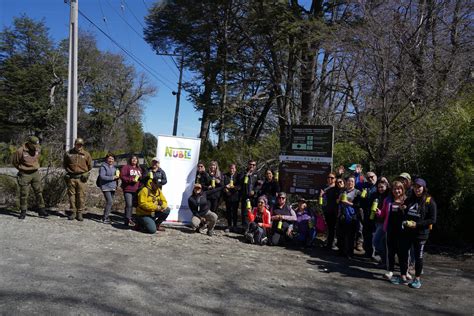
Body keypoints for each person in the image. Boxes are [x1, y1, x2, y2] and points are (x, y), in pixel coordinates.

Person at [396, 178, 437, 289]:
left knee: (418, 257)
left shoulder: (429, 201)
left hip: (421, 234)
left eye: (419, 187)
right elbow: (404, 213)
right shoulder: (410, 199)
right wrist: (402, 209)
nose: (417, 189)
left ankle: (417, 279)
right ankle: (403, 276)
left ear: (424, 188)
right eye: (415, 186)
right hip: (407, 232)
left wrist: (417, 224)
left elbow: (432, 220)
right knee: (403, 254)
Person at [377, 181, 406, 282]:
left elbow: (410, 215)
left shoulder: (406, 200)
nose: (397, 191)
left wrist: (404, 209)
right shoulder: (387, 200)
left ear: (402, 190)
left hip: (403, 230)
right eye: (394, 189)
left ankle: (404, 272)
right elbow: (383, 214)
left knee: (402, 252)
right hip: (389, 229)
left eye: (399, 189)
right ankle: (390, 271)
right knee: (391, 251)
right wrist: (378, 212)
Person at [12, 136, 47, 219]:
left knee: (39, 192)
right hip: (25, 174)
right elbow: (15, 162)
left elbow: (38, 159)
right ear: (29, 143)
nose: (36, 147)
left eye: (37, 145)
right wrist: (21, 169)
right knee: (24, 194)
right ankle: (23, 211)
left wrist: (36, 166)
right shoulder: (20, 151)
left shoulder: (38, 149)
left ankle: (41, 209)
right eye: (34, 145)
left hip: (35, 173)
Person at [63, 137, 92, 221]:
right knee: (71, 196)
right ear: (75, 144)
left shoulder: (86, 154)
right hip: (71, 178)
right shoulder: (68, 153)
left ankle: (80, 213)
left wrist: (86, 173)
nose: (79, 146)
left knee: (81, 196)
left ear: (82, 145)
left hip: (81, 178)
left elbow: (90, 166)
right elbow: (65, 164)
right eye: (77, 144)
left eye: (81, 145)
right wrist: (68, 172)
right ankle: (73, 212)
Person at [336, 176, 362, 258]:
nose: (350, 182)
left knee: (350, 236)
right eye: (348, 181)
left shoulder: (357, 192)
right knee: (341, 235)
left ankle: (349, 253)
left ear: (354, 183)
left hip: (352, 216)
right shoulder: (343, 191)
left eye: (352, 181)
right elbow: (337, 202)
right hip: (342, 215)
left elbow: (358, 205)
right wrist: (339, 199)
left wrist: (347, 202)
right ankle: (341, 251)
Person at [371, 178, 390, 267]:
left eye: (382, 187)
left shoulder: (389, 197)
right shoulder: (378, 196)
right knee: (382, 243)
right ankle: (385, 261)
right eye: (378, 187)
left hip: (384, 223)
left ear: (386, 186)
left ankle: (386, 260)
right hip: (378, 221)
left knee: (375, 241)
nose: (380, 189)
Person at [120, 155, 143, 226]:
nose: (134, 160)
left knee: (136, 205)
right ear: (130, 160)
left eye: (136, 159)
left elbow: (140, 179)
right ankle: (127, 220)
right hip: (128, 189)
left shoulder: (139, 169)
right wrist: (131, 180)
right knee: (129, 204)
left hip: (137, 190)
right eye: (133, 158)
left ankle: (135, 220)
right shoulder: (126, 167)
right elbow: (122, 176)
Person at [361, 171, 378, 257]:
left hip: (377, 215)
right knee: (366, 233)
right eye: (368, 178)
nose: (370, 179)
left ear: (376, 176)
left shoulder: (380, 186)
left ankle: (375, 253)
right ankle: (368, 252)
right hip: (367, 214)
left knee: (375, 234)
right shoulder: (366, 186)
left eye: (372, 176)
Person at [98, 153, 119, 224]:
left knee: (109, 202)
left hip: (112, 187)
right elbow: (102, 177)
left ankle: (105, 216)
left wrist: (116, 182)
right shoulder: (103, 167)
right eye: (109, 158)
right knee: (110, 201)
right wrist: (112, 177)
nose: (111, 160)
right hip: (105, 186)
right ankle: (105, 218)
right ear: (106, 159)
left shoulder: (114, 168)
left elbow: (116, 177)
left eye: (112, 159)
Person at [321, 173, 339, 250]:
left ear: (335, 179)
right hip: (326, 210)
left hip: (334, 211)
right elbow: (322, 200)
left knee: (333, 228)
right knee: (329, 227)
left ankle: (332, 243)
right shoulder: (324, 187)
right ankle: (329, 243)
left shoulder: (336, 187)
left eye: (332, 178)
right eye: (329, 177)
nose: (330, 179)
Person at [240, 160, 260, 227]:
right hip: (245, 196)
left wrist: (255, 191)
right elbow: (239, 182)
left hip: (254, 197)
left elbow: (259, 184)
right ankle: (245, 228)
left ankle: (252, 228)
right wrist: (246, 175)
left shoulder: (257, 174)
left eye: (253, 165)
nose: (252, 166)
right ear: (248, 165)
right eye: (250, 164)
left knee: (254, 212)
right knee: (245, 212)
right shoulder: (244, 172)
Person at [223, 163, 241, 232]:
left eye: (233, 168)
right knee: (228, 211)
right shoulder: (225, 175)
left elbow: (239, 186)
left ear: (235, 169)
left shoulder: (238, 176)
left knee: (235, 212)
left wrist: (233, 187)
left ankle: (235, 226)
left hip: (235, 196)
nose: (231, 170)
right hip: (228, 196)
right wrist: (226, 190)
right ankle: (229, 225)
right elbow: (223, 184)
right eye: (230, 168)